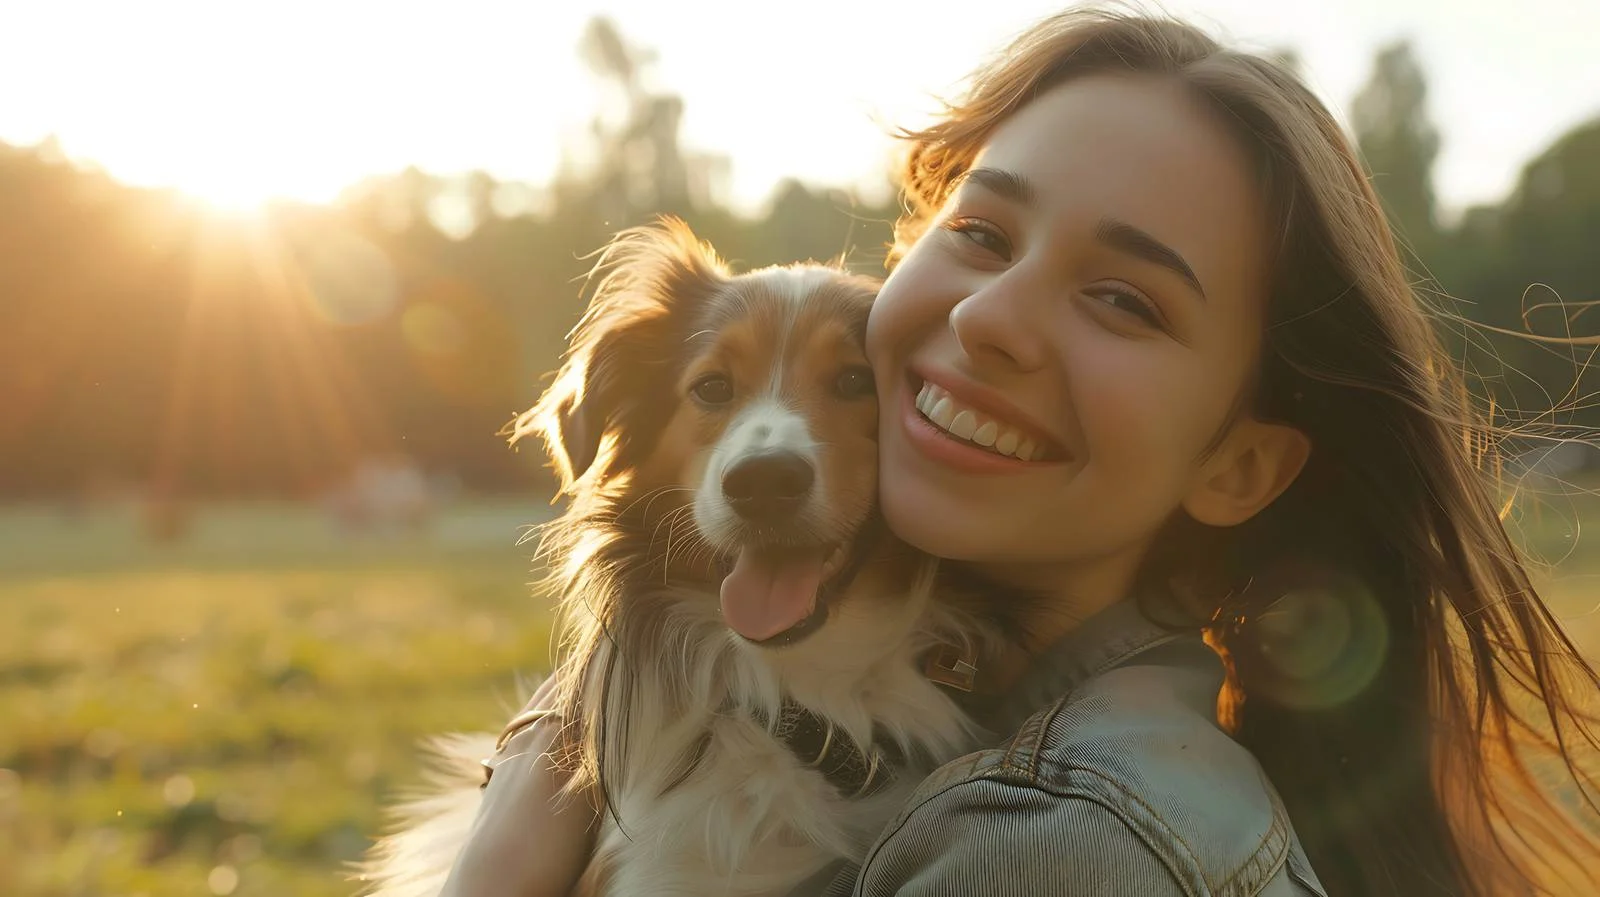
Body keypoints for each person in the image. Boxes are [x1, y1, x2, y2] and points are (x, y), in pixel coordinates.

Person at [445, 8, 1600, 896]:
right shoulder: (1043, 715)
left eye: (1122, 300)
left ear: (1239, 465)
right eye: (983, 234)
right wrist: (568, 733)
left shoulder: (1054, 840)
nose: (991, 316)